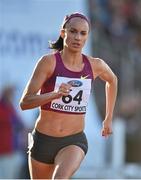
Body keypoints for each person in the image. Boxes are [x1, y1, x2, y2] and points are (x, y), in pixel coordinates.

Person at [19, 12, 118, 179]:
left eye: (83, 33)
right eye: (73, 31)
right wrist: (54, 95)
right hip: (42, 141)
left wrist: (108, 118)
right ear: (63, 32)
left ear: (87, 37)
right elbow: (25, 103)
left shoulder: (95, 65)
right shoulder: (48, 62)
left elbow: (112, 80)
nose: (77, 37)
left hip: (73, 141)